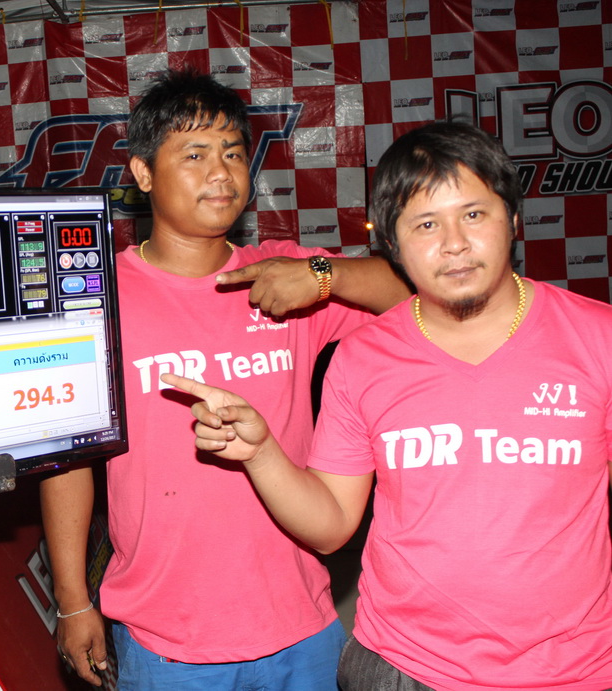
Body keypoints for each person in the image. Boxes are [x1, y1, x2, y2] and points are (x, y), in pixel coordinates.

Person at [166, 120, 612, 690]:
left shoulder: (596, 339)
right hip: (403, 667)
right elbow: (331, 525)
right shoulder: (363, 359)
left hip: (577, 670)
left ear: (514, 219)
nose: (454, 243)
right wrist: (261, 454)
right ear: (393, 246)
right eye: (426, 224)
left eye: (474, 214)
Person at [39, 68, 409, 689]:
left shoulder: (286, 276)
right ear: (143, 173)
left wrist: (324, 276)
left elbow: (417, 296)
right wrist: (73, 601)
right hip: (166, 639)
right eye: (195, 154)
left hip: (303, 624)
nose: (221, 172)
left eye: (234, 153)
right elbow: (67, 459)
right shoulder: (96, 299)